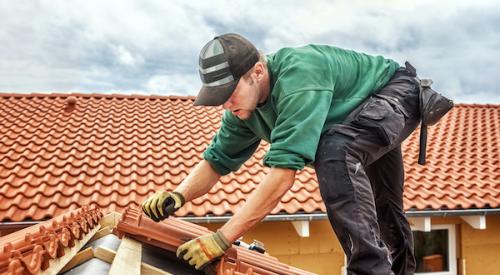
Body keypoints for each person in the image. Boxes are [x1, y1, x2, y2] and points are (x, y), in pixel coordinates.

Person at [142, 33, 426, 275]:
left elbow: (282, 175)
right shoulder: (243, 110)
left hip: (395, 92)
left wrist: (222, 238)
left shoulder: (299, 76)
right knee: (382, 204)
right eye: (219, 97)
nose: (226, 104)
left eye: (230, 92)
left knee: (334, 153)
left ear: (257, 71)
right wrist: (179, 194)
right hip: (357, 117)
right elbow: (216, 161)